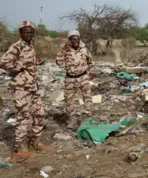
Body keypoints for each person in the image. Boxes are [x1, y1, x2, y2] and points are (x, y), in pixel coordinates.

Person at [0, 21, 50, 159]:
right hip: (21, 88)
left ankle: (35, 143)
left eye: (31, 32)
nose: (29, 34)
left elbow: (28, 63)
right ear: (20, 33)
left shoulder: (30, 46)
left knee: (39, 114)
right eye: (26, 32)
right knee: (23, 118)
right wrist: (21, 64)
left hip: (32, 87)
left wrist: (35, 61)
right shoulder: (16, 46)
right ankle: (18, 150)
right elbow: (3, 62)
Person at [55, 30, 94, 129]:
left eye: (77, 39)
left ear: (79, 39)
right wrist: (67, 68)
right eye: (73, 39)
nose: (75, 41)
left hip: (83, 77)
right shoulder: (65, 50)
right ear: (69, 40)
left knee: (87, 97)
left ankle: (87, 118)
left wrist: (90, 72)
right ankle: (72, 120)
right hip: (70, 79)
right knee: (70, 100)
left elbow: (91, 61)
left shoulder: (84, 49)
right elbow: (58, 61)